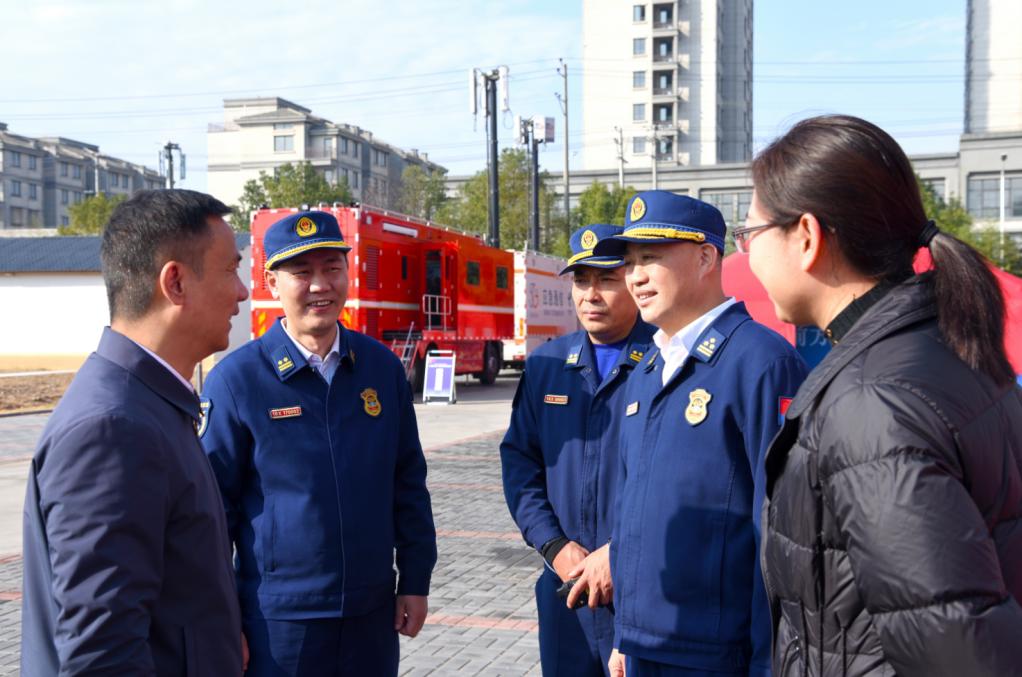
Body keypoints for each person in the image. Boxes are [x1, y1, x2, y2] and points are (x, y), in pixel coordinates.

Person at [742, 114, 1022, 676]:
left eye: (747, 235)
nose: (746, 252)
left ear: (806, 237)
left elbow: (954, 646)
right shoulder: (946, 345)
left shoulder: (872, 402)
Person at [200, 210, 437, 676]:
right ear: (272, 282)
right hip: (280, 622)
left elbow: (407, 482)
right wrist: (221, 620)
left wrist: (414, 579)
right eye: (301, 271)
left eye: (332, 267)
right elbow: (212, 517)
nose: (320, 285)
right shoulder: (237, 381)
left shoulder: (381, 369)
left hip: (371, 613)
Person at [21, 189, 248, 675]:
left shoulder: (149, 403)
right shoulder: (113, 428)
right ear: (176, 283)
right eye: (231, 269)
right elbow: (103, 654)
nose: (243, 291)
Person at [595, 191, 808, 677]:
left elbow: (780, 530)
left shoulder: (760, 363)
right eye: (629, 263)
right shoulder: (647, 368)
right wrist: (626, 635)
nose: (636, 277)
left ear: (706, 257)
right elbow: (631, 510)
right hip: (647, 644)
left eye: (651, 258)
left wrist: (767, 662)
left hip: (718, 655)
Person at [501, 224, 656, 676]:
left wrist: (620, 553)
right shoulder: (548, 366)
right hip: (565, 590)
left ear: (632, 279)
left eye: (606, 279)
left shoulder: (664, 361)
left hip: (640, 594)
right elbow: (520, 463)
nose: (591, 295)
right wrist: (553, 545)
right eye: (581, 280)